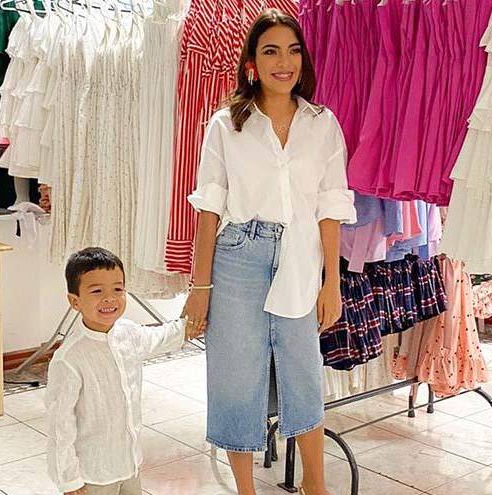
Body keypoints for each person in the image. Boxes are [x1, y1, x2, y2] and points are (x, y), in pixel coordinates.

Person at [183, 9, 356, 495]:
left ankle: (316, 486)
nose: (285, 62)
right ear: (252, 64)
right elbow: (209, 209)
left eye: (293, 50)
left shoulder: (322, 123)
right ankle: (246, 490)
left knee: (304, 374)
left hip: (301, 257)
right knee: (236, 377)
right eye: (271, 51)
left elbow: (329, 208)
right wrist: (200, 287)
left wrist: (332, 283)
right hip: (238, 255)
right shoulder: (226, 124)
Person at [45, 247, 188, 495]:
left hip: (129, 463)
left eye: (117, 289)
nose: (109, 299)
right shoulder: (69, 359)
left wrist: (191, 323)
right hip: (94, 474)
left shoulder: (129, 333)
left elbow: (162, 337)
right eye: (97, 291)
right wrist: (69, 479)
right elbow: (60, 424)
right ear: (75, 301)